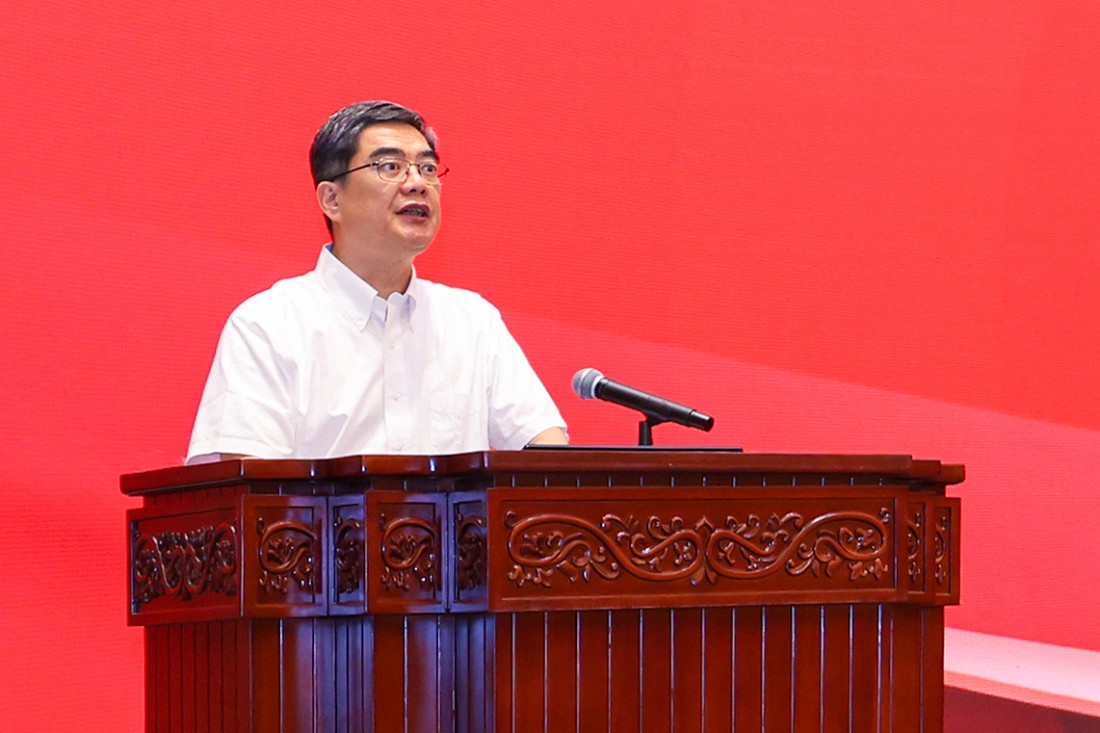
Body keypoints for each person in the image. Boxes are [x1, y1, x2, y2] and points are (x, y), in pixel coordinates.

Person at [186, 101, 567, 463]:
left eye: (428, 168)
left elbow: (545, 454)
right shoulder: (269, 324)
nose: (417, 183)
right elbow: (252, 484)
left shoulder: (472, 321)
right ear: (332, 199)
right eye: (390, 166)